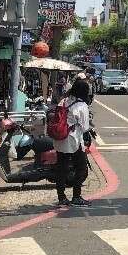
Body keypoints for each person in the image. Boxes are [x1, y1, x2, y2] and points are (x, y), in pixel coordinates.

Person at [52, 78, 92, 207]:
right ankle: (76, 196)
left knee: (61, 169)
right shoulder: (82, 106)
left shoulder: (64, 100)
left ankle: (61, 197)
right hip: (73, 140)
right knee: (81, 168)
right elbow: (85, 127)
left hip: (59, 138)